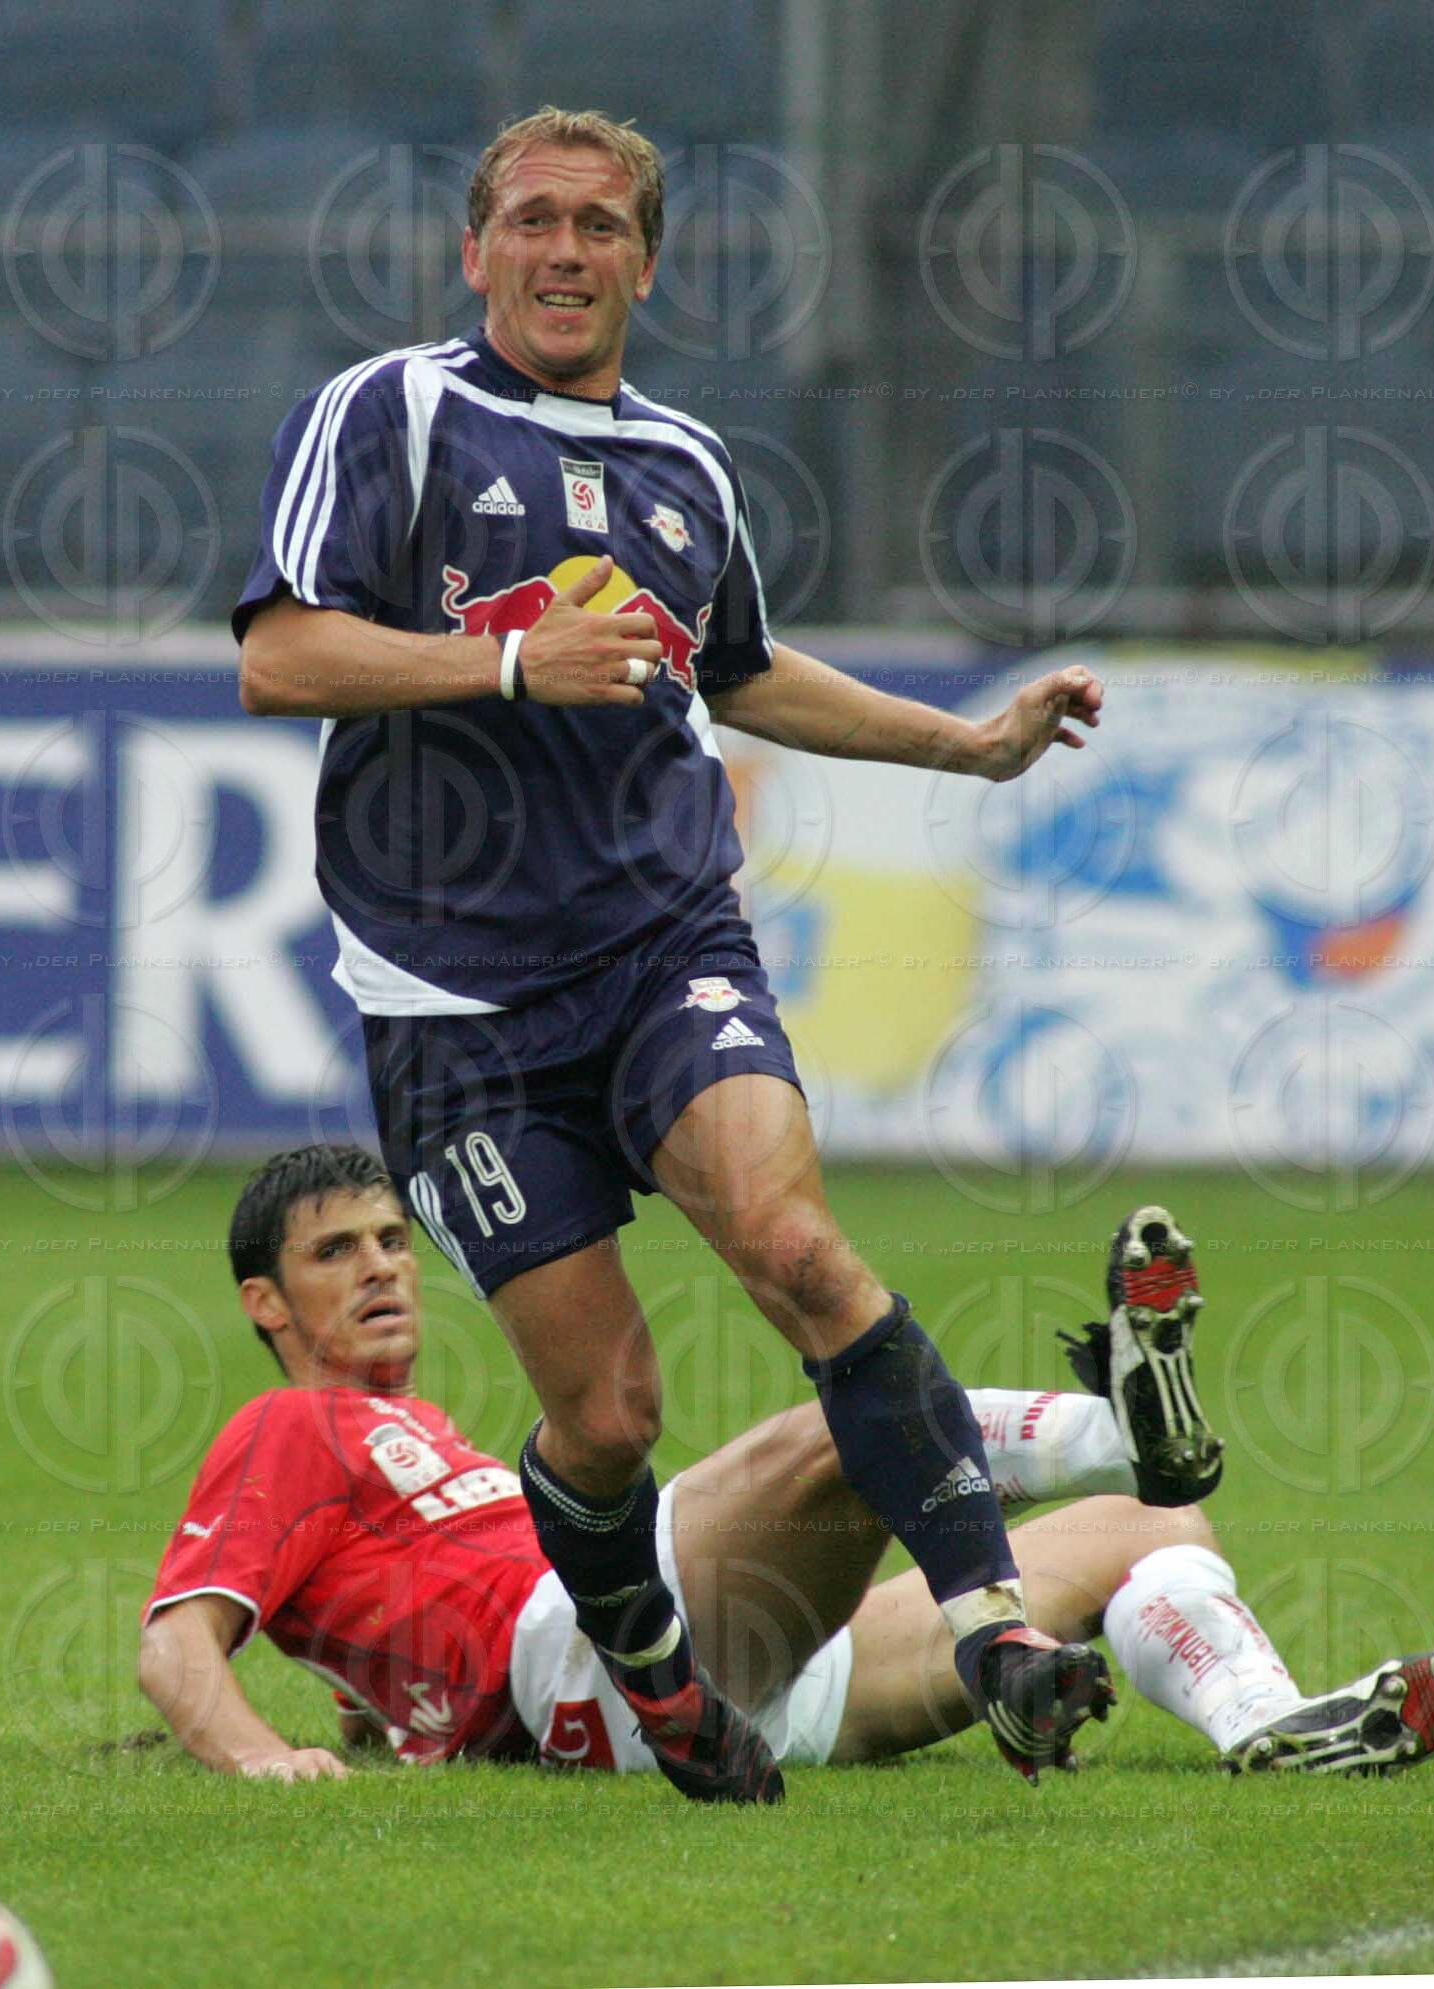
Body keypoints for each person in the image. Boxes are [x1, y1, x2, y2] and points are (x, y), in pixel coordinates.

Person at [230, 103, 1151, 1804]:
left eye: (597, 227)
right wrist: (508, 667)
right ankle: (655, 1679)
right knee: (609, 1417)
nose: (561, 253)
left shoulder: (681, 463)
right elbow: (280, 657)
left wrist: (971, 744)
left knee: (796, 1244)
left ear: (644, 262)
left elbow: (736, 670)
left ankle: (991, 1625)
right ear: (474, 248)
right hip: (458, 1008)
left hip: (662, 939)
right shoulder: (396, 410)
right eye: (530, 222)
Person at [135, 1147, 1434, 1786]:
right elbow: (179, 1646)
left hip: (745, 1685)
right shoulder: (282, 1428)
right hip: (600, 1660)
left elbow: (381, 1613)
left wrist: (385, 1718)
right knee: (831, 1424)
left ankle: (1259, 1722)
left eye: (389, 1238)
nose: (380, 1264)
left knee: (1156, 1522)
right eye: (335, 1251)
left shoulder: (412, 1435)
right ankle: (1110, 1420)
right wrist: (264, 1764)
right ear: (266, 1303)